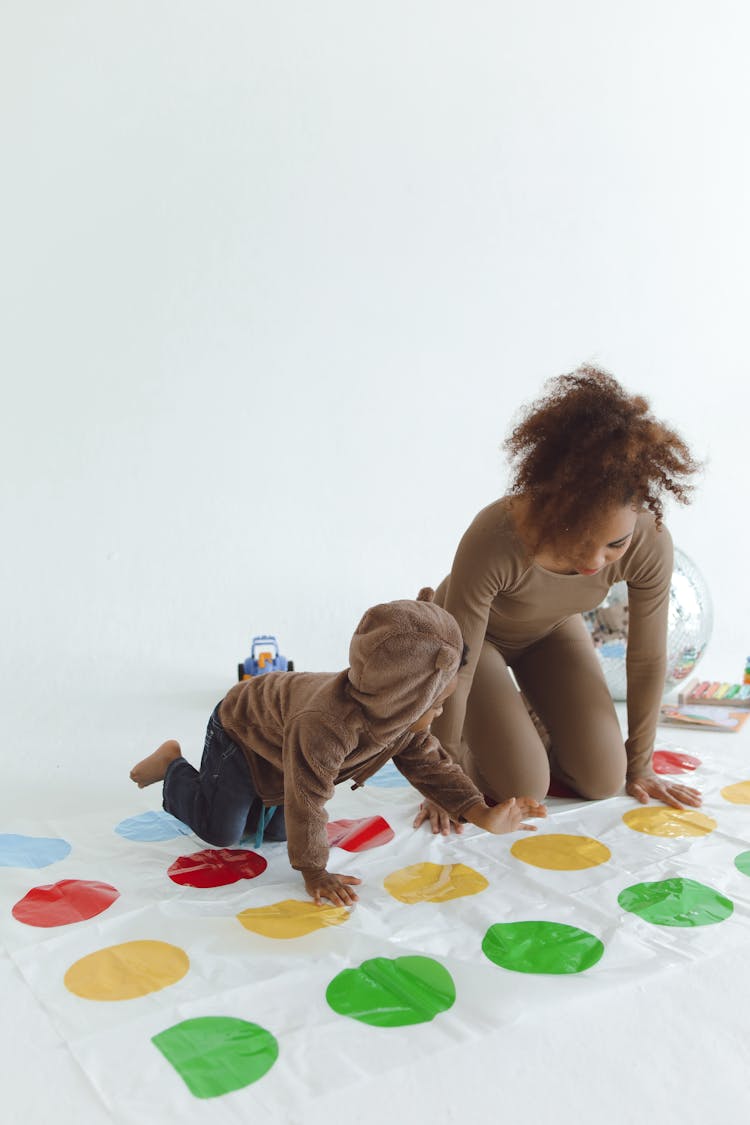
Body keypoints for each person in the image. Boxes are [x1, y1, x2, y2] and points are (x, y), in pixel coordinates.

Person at [415, 366, 702, 836]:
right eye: (581, 537)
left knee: (605, 780)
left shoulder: (650, 543)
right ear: (554, 504)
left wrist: (642, 765)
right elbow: (459, 666)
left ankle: (527, 719)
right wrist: (442, 786)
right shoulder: (495, 537)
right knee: (527, 785)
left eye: (615, 544)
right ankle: (476, 741)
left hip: (549, 633)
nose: (595, 560)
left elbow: (647, 659)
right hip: (470, 645)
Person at [130, 589, 546, 905]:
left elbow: (433, 767)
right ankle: (172, 767)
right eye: (436, 704)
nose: (438, 714)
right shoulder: (328, 726)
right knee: (222, 831)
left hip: (282, 747)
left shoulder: (399, 719)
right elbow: (308, 799)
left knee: (277, 834)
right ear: (404, 697)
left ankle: (251, 798)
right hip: (242, 730)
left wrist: (481, 813)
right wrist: (314, 872)